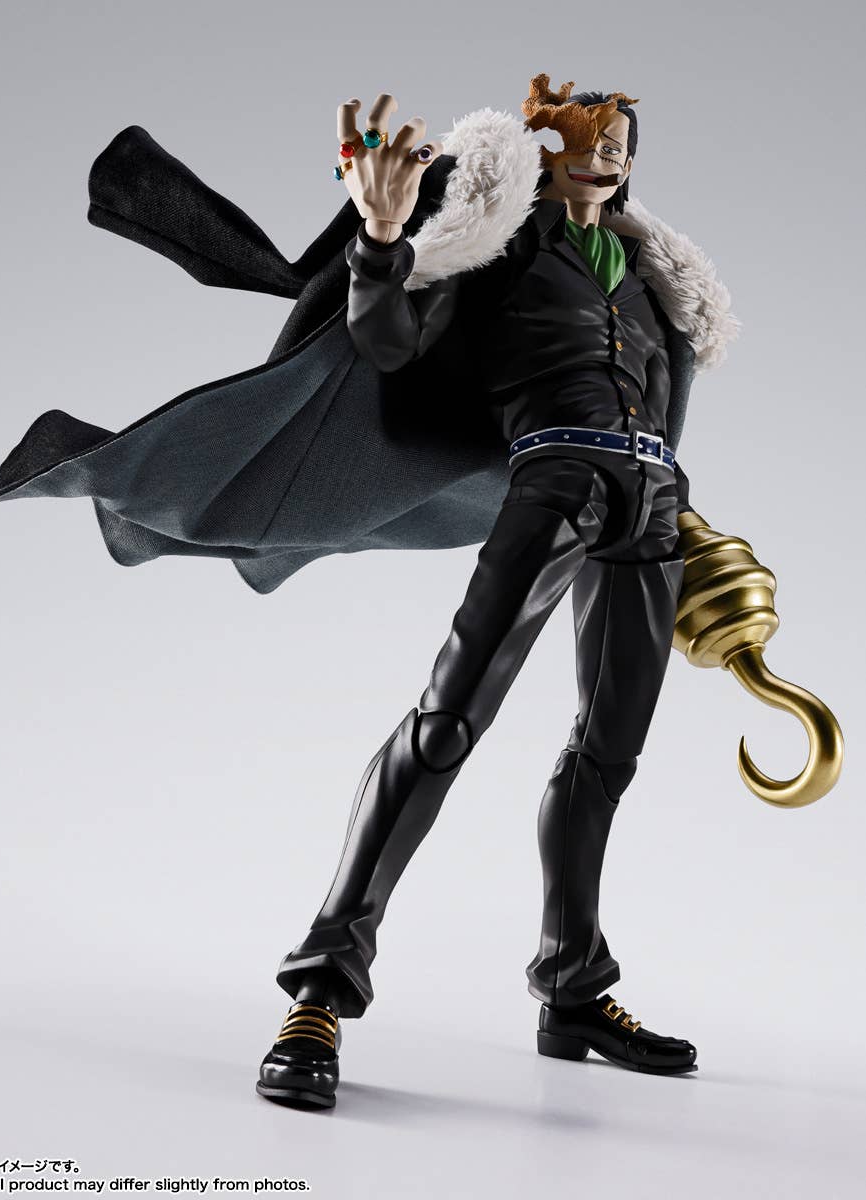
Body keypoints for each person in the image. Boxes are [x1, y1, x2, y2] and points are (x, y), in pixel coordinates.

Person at [256, 79, 711, 1109]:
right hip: (551, 482)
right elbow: (387, 343)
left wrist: (693, 527)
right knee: (446, 723)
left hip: (649, 507)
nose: (604, 156)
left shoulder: (650, 275)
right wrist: (380, 240)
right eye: (586, 140)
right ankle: (320, 988)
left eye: (620, 143)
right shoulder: (496, 248)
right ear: (544, 151)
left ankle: (572, 988)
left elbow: (660, 411)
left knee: (608, 754)